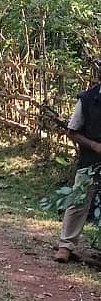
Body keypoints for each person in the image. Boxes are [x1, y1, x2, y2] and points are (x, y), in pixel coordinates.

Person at [54, 61, 101, 262]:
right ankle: (66, 245)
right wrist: (95, 146)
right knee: (79, 201)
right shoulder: (87, 99)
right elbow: (72, 132)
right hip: (90, 161)